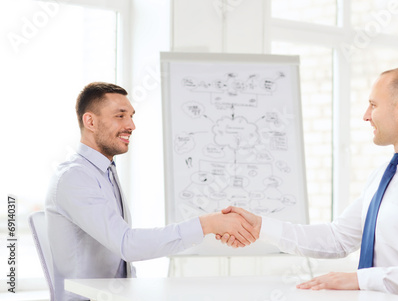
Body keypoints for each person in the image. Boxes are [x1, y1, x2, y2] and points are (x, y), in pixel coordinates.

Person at [217, 66, 398, 300]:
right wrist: (261, 227)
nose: (366, 116)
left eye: (373, 105)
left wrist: (359, 280)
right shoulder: (385, 175)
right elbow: (337, 238)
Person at [45, 82, 258, 301]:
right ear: (90, 121)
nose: (131, 125)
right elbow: (126, 245)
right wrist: (206, 224)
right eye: (120, 116)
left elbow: (121, 263)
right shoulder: (75, 177)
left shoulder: (105, 172)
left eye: (131, 116)